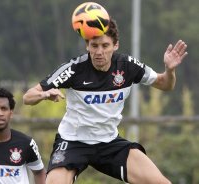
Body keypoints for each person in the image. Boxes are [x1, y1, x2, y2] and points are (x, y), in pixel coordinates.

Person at [22, 17, 188, 184]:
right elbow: (28, 97)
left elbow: (165, 84)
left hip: (109, 143)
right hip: (73, 142)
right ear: (87, 45)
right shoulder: (73, 69)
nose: (99, 52)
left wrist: (169, 70)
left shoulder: (128, 66)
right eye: (94, 46)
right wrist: (43, 94)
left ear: (115, 45)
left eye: (105, 46)